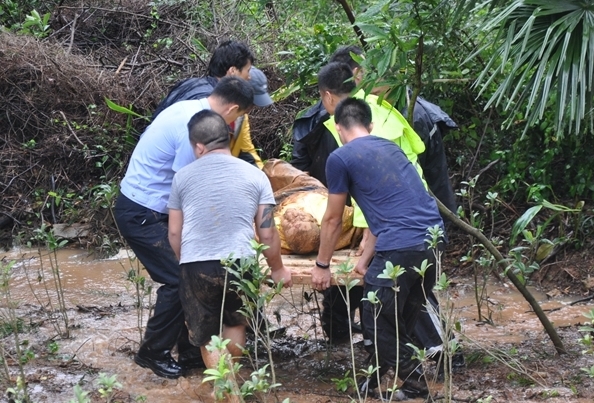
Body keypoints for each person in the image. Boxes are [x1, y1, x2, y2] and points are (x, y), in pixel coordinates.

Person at [113, 76, 254, 379]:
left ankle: (191, 349)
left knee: (188, 274)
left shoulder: (191, 110)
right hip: (142, 211)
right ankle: (153, 352)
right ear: (231, 108)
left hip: (152, 208)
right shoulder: (193, 130)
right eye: (238, 117)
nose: (234, 125)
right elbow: (192, 190)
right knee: (179, 278)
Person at [311, 97, 444, 400]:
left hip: (400, 246)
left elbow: (332, 219)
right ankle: (374, 381)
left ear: (337, 127)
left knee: (374, 316)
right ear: (370, 126)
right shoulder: (391, 149)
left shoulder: (341, 158)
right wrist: (366, 260)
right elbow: (380, 212)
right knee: (393, 323)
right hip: (433, 243)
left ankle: (415, 388)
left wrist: (321, 265)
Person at [167, 110, 292, 399]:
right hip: (242, 263)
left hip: (198, 263)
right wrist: (277, 269)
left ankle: (223, 390)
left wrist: (184, 262)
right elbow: (267, 232)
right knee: (236, 322)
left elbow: (174, 232)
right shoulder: (255, 175)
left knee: (208, 331)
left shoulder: (182, 178)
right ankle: (232, 382)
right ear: (228, 137)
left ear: (198, 146)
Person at [153, 40, 271, 168]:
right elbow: (193, 166)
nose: (249, 77)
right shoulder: (205, 106)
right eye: (247, 71)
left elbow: (246, 152)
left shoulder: (194, 87)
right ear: (233, 71)